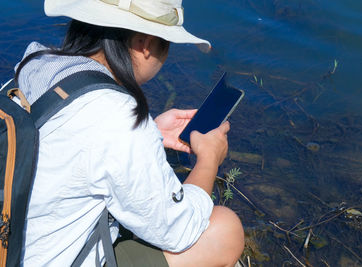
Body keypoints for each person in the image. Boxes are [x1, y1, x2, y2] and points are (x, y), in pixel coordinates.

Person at [10, 0, 244, 266]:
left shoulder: (36, 64)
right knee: (225, 230)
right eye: (166, 43)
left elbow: (67, 148)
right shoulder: (118, 117)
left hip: (14, 245)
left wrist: (151, 133)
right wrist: (209, 159)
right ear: (144, 44)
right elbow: (180, 230)